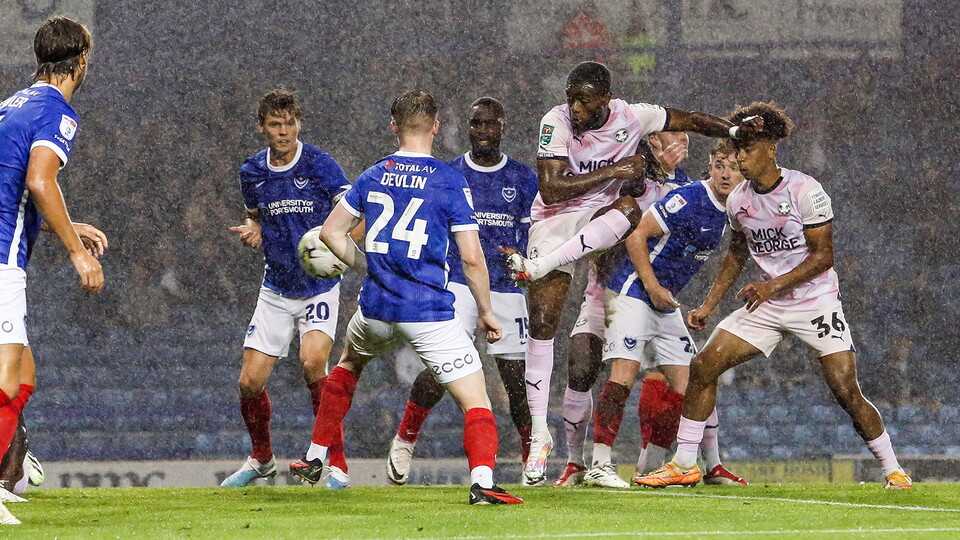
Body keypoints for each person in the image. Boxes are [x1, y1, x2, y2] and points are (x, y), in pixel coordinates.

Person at [634, 102, 912, 489]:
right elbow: (736, 252)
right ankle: (685, 464)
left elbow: (823, 257)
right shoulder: (738, 199)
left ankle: (893, 470)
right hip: (767, 305)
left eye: (747, 151)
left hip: (815, 303)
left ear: (771, 149)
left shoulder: (805, 189)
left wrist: (770, 286)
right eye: (737, 151)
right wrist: (710, 304)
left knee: (846, 390)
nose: (739, 159)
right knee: (703, 366)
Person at [511, 61, 762, 485]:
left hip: (623, 275)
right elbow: (551, 188)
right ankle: (550, 442)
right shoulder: (557, 123)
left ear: (605, 100)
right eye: (571, 97)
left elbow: (691, 118)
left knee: (676, 373)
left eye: (583, 101)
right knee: (553, 335)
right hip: (560, 224)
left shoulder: (662, 164)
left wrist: (732, 131)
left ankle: (674, 460)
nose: (574, 107)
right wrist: (615, 171)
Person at [289, 91, 523, 505]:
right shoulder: (449, 180)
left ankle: (314, 456)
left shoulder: (373, 175)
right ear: (435, 127)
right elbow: (471, 258)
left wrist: (364, 265)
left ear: (393, 126)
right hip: (428, 311)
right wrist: (486, 311)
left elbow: (329, 234)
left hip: (376, 307)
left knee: (347, 365)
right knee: (476, 399)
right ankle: (482, 482)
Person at [385, 97, 539, 486]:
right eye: (477, 124)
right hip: (457, 281)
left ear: (503, 127)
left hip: (506, 286)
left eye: (490, 124)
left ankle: (529, 457)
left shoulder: (522, 179)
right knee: (442, 367)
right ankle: (405, 437)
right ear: (467, 128)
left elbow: (531, 233)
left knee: (514, 378)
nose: (484, 131)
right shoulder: (448, 173)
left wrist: (523, 256)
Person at [583, 141, 747, 488]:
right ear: (710, 166)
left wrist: (705, 305)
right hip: (632, 290)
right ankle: (599, 463)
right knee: (623, 374)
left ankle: (700, 466)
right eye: (719, 165)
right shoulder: (691, 198)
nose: (725, 173)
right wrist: (652, 285)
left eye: (732, 167)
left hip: (663, 301)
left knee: (694, 384)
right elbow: (637, 235)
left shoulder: (734, 209)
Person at [0, 16, 105, 525]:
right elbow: (41, 182)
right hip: (2, 258)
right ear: (81, 61)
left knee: (23, 376)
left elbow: (16, 183)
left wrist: (69, 222)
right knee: (4, 381)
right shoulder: (56, 111)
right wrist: (76, 251)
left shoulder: (11, 104)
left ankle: (5, 482)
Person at [221, 90, 352, 489]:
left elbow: (350, 212)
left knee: (313, 363)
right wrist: (254, 230)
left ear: (299, 123)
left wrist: (346, 250)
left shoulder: (319, 164)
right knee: (249, 383)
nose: (283, 132)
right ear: (262, 127)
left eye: (290, 123)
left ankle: (338, 465)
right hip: (276, 287)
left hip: (318, 285)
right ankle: (261, 459)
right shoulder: (251, 171)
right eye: (275, 125)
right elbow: (255, 216)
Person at [553, 137, 678, 487]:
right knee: (580, 367)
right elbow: (597, 256)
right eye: (627, 160)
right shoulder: (605, 197)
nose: (634, 165)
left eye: (639, 159)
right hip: (599, 297)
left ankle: (681, 462)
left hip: (646, 298)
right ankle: (575, 462)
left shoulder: (665, 194)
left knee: (684, 375)